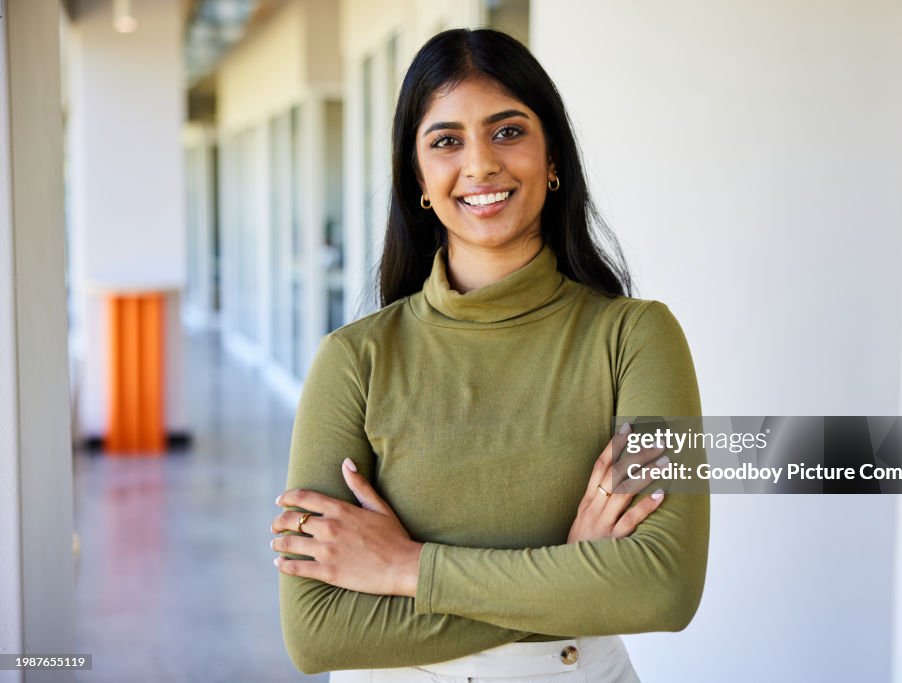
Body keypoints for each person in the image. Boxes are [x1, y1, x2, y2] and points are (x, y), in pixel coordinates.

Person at [270, 28, 709, 682]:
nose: (479, 165)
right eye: (446, 141)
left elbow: (665, 586)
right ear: (418, 177)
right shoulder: (353, 361)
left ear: (552, 156)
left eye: (508, 131)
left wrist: (405, 567)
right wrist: (570, 574)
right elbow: (316, 632)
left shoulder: (638, 339)